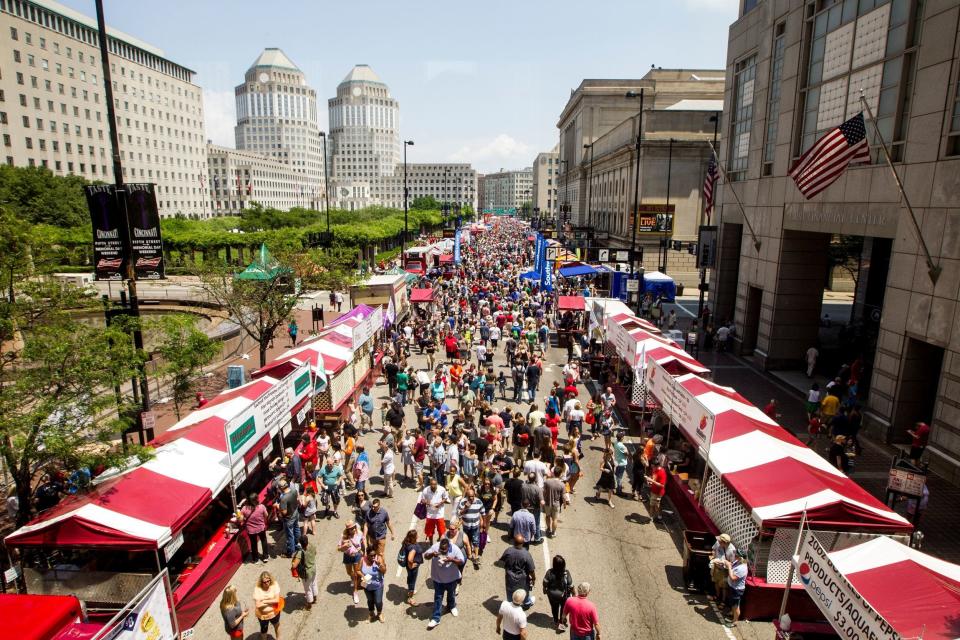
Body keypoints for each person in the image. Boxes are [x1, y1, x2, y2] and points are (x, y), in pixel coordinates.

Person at [424, 537, 466, 629]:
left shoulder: (455, 549)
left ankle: (452, 606)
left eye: (444, 550)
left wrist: (451, 560)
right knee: (438, 598)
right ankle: (436, 618)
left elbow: (462, 561)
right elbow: (425, 556)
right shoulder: (435, 547)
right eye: (441, 550)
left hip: (452, 579)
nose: (442, 551)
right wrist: (431, 554)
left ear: (449, 547)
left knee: (451, 595)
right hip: (438, 579)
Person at [500, 533, 536, 609]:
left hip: (509, 578)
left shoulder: (508, 551)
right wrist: (533, 579)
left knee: (510, 593)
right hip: (522, 580)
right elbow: (531, 570)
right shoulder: (526, 554)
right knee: (524, 593)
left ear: (514, 542)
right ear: (522, 543)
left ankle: (511, 606)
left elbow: (502, 561)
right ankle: (526, 603)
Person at [543, 555, 573, 631]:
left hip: (552, 596)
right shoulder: (566, 573)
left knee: (554, 608)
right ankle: (561, 622)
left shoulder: (549, 572)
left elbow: (545, 582)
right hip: (564, 597)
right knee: (563, 609)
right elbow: (570, 584)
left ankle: (556, 620)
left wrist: (544, 589)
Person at [337, 520, 364, 605]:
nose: (353, 530)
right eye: (350, 529)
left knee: (356, 574)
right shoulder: (343, 536)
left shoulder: (359, 533)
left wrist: (362, 550)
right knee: (349, 572)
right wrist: (344, 547)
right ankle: (359, 580)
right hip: (347, 556)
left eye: (353, 528)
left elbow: (363, 542)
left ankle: (355, 591)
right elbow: (338, 549)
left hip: (356, 556)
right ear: (347, 530)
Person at [239, 493, 269, 564]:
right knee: (263, 541)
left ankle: (255, 559)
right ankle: (265, 557)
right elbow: (266, 515)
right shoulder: (261, 507)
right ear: (257, 499)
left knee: (253, 543)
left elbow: (241, 519)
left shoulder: (244, 508)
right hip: (261, 527)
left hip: (251, 530)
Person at [359, 546, 386, 623]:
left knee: (378, 601)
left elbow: (384, 571)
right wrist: (363, 576)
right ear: (367, 555)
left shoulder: (378, 559)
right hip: (366, 583)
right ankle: (371, 614)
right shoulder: (362, 560)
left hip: (378, 585)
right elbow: (357, 570)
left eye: (374, 555)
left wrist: (379, 564)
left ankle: (379, 614)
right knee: (370, 600)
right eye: (371, 555)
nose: (373, 557)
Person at [420, 476, 450, 543]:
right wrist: (426, 502)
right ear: (430, 484)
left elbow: (445, 498)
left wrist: (440, 503)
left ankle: (440, 540)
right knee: (430, 531)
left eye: (434, 485)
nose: (433, 486)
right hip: (430, 514)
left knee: (441, 530)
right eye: (432, 485)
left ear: (437, 484)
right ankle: (431, 542)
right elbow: (422, 500)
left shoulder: (442, 489)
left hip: (439, 513)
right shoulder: (426, 490)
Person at [722, 551, 749, 628]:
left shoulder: (742, 568)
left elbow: (733, 578)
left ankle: (735, 621)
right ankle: (732, 614)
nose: (735, 555)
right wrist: (727, 564)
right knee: (733, 604)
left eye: (736, 555)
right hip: (733, 587)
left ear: (740, 557)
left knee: (736, 606)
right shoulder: (738, 562)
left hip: (737, 590)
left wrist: (729, 567)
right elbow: (731, 566)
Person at [291, 534, 318, 610]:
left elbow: (294, 566)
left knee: (308, 589)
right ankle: (315, 598)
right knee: (314, 583)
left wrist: (293, 562)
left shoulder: (300, 552)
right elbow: (315, 553)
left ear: (300, 543)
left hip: (306, 572)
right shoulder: (311, 545)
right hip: (313, 568)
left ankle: (309, 604)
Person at [709, 533, 737, 605]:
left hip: (724, 570)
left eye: (719, 541)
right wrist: (713, 555)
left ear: (724, 543)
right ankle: (717, 596)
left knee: (724, 586)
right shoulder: (718, 542)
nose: (717, 541)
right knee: (716, 582)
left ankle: (723, 601)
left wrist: (724, 563)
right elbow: (714, 549)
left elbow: (732, 563)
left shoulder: (732, 550)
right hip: (716, 566)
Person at [253, 571, 281, 640]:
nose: (267, 583)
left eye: (268, 581)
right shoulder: (257, 589)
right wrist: (271, 601)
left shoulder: (274, 584)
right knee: (264, 630)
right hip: (263, 615)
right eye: (264, 582)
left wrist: (264, 601)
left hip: (274, 613)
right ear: (261, 582)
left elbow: (277, 600)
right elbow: (258, 605)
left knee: (276, 625)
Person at [400, 529, 423, 606]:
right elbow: (410, 559)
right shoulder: (413, 548)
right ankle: (410, 598)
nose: (418, 536)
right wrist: (411, 565)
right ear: (413, 537)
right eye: (416, 535)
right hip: (412, 568)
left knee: (410, 578)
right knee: (412, 581)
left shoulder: (407, 542)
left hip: (408, 567)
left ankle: (410, 590)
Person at [278, 480, 301, 557]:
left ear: (281, 488)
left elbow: (284, 512)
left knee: (290, 535)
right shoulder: (294, 490)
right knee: (297, 529)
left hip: (289, 518)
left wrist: (278, 508)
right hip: (295, 513)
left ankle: (291, 552)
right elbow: (297, 499)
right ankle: (298, 545)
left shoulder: (284, 498)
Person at [543, 467, 565, 538]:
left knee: (547, 516)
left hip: (547, 503)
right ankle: (553, 532)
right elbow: (563, 496)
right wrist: (564, 504)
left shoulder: (547, 481)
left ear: (553, 473)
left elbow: (544, 492)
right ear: (560, 474)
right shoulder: (562, 484)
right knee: (555, 519)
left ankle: (548, 529)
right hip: (556, 504)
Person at [647, 456, 667, 522]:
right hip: (653, 491)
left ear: (657, 466)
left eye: (653, 467)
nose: (652, 468)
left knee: (656, 506)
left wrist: (652, 481)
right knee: (652, 505)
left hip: (658, 493)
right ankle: (652, 517)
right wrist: (650, 481)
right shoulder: (654, 470)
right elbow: (653, 477)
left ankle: (659, 517)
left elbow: (662, 485)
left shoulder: (662, 472)